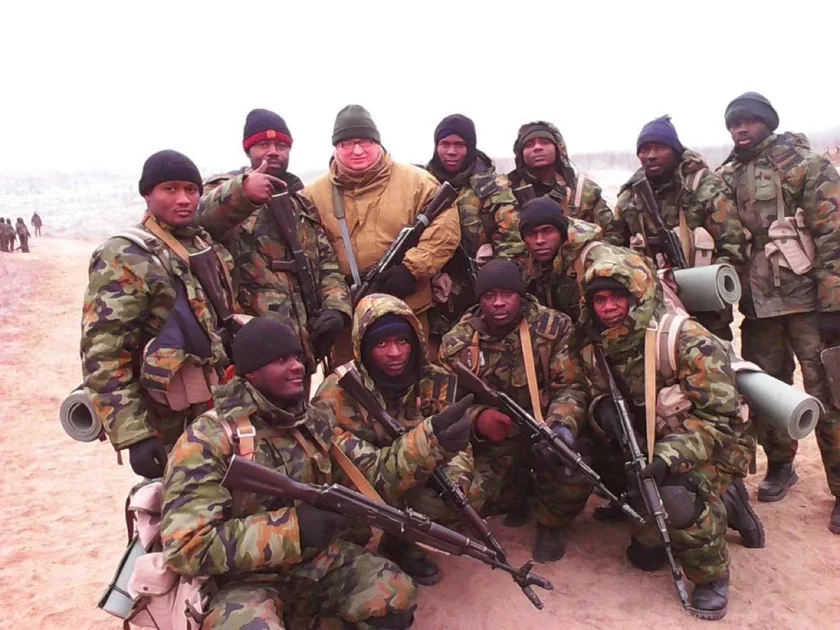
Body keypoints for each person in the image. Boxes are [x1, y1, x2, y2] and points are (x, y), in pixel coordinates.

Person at [162, 317, 471, 628]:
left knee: (395, 595)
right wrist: (293, 530)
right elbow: (187, 546)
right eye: (281, 360)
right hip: (244, 582)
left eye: (297, 357)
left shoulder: (311, 421)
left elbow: (372, 473)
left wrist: (432, 439)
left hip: (316, 562)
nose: (297, 366)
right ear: (251, 373)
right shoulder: (208, 439)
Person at [578, 248, 760, 620]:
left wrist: (668, 458)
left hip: (717, 444)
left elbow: (722, 420)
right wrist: (602, 410)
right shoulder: (596, 344)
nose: (608, 307)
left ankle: (711, 575)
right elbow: (587, 390)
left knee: (676, 496)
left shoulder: (685, 339)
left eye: (617, 297)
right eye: (599, 299)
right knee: (646, 555)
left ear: (637, 296)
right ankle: (718, 502)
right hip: (651, 443)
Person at [716, 92, 840, 531]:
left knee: (829, 393)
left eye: (749, 121)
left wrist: (834, 303)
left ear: (767, 123)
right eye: (734, 124)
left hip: (809, 303)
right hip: (759, 305)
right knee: (768, 391)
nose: (741, 129)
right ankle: (781, 465)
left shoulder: (806, 166)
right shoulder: (727, 175)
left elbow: (832, 234)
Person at [81, 150, 237, 479]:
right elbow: (104, 353)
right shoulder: (125, 254)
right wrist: (135, 434)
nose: (183, 199)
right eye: (170, 189)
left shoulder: (202, 242)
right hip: (167, 417)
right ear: (147, 194)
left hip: (216, 403)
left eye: (191, 190)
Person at [311, 293, 477, 585]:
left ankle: (401, 547)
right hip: (358, 486)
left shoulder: (434, 380)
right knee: (353, 532)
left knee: (453, 496)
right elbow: (368, 474)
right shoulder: (335, 395)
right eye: (381, 344)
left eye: (402, 341)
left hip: (408, 476)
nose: (395, 353)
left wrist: (456, 483)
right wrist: (430, 442)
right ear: (363, 347)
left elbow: (460, 445)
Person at [439, 260, 589, 563]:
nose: (498, 303)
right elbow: (442, 404)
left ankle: (551, 522)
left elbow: (571, 387)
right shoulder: (457, 342)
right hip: (496, 440)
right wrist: (478, 418)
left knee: (575, 467)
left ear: (520, 295)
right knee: (460, 501)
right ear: (479, 300)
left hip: (544, 428)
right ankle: (514, 496)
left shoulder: (553, 327)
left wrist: (561, 425)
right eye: (489, 296)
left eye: (507, 294)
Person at [302, 104, 461, 364]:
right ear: (335, 148)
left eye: (364, 142)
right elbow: (309, 253)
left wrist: (412, 269)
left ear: (377, 142)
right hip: (349, 319)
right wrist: (334, 302)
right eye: (347, 143)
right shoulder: (311, 196)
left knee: (415, 378)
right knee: (349, 384)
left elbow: (445, 228)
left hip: (408, 311)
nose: (357, 150)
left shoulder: (418, 182)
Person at [199, 109, 352, 370]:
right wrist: (244, 192)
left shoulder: (301, 203)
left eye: (281, 146)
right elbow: (198, 219)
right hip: (250, 347)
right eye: (263, 145)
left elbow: (327, 264)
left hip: (301, 346)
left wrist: (336, 309)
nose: (273, 152)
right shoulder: (226, 190)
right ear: (248, 150)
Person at [613, 115, 746, 340]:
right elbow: (614, 248)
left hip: (705, 306)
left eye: (659, 148)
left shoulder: (704, 187)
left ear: (675, 151)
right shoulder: (630, 196)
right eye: (644, 150)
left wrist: (697, 282)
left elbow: (733, 247)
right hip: (651, 307)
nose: (651, 155)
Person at [423, 114, 524, 345]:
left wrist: (493, 280)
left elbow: (513, 241)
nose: (451, 151)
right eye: (445, 144)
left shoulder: (492, 187)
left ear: (470, 147)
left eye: (459, 145)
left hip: (483, 286)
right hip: (436, 287)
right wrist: (432, 275)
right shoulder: (423, 184)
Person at [507, 120, 623, 244]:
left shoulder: (582, 191)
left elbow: (613, 235)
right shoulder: (506, 192)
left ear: (558, 149)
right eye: (529, 145)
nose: (537, 147)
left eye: (545, 142)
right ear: (521, 154)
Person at [518, 197, 605, 322]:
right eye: (531, 234)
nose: (539, 240)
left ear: (562, 233)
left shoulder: (595, 260)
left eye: (547, 231)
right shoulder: (528, 263)